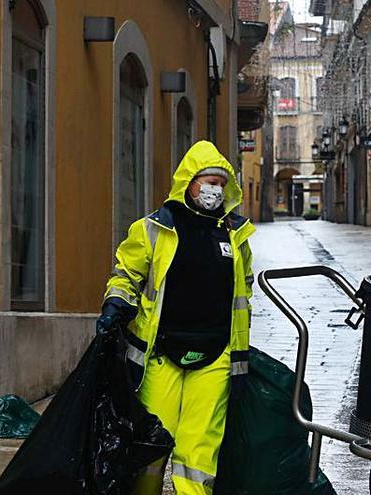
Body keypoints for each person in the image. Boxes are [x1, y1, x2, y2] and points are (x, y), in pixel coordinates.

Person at [96, 140, 255, 495]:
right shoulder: (154, 229)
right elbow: (126, 275)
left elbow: (243, 300)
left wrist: (239, 360)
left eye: (220, 183)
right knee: (152, 442)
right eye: (207, 181)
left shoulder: (236, 235)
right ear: (189, 182)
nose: (214, 190)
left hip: (215, 357)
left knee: (199, 451)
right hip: (160, 355)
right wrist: (115, 304)